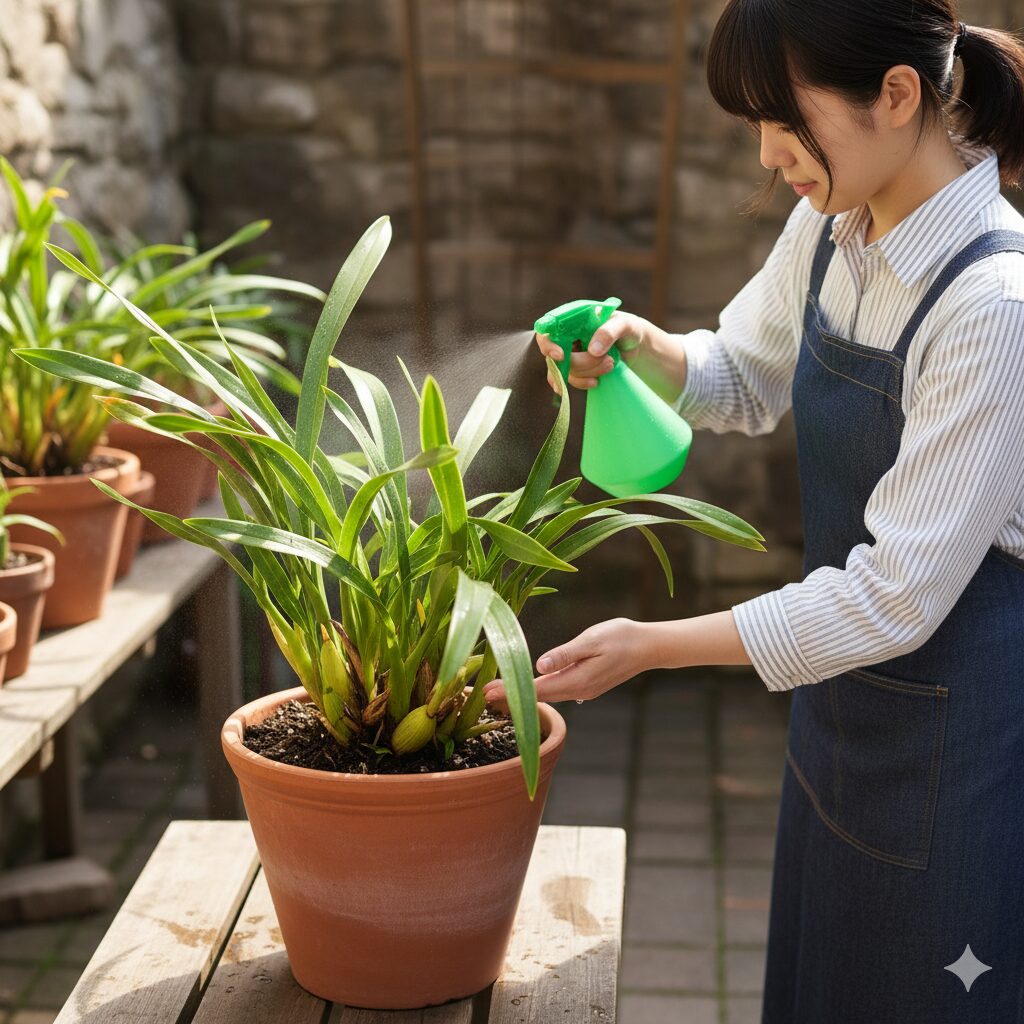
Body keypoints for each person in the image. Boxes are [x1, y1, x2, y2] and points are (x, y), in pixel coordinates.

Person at [483, 2, 1024, 1021]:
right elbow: (743, 375)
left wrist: (653, 644)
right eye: (752, 124)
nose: (770, 155)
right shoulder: (832, 220)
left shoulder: (993, 307)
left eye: (783, 120)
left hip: (960, 748)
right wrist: (643, 344)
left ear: (896, 95)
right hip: (840, 713)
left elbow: (892, 603)